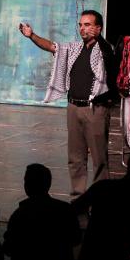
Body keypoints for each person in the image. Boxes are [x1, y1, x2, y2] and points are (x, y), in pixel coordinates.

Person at [19, 10, 117, 195]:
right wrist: (31, 35)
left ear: (98, 28)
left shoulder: (105, 49)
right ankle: (78, 196)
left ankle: (102, 198)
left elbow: (110, 58)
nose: (82, 28)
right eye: (80, 25)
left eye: (87, 25)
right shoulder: (74, 49)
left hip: (95, 109)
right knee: (75, 157)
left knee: (99, 158)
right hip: (73, 108)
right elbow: (52, 46)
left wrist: (100, 39)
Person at [2, 163, 81, 260]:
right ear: (48, 184)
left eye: (26, 181)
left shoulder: (20, 215)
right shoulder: (65, 210)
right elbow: (76, 239)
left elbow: (8, 249)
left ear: (27, 185)